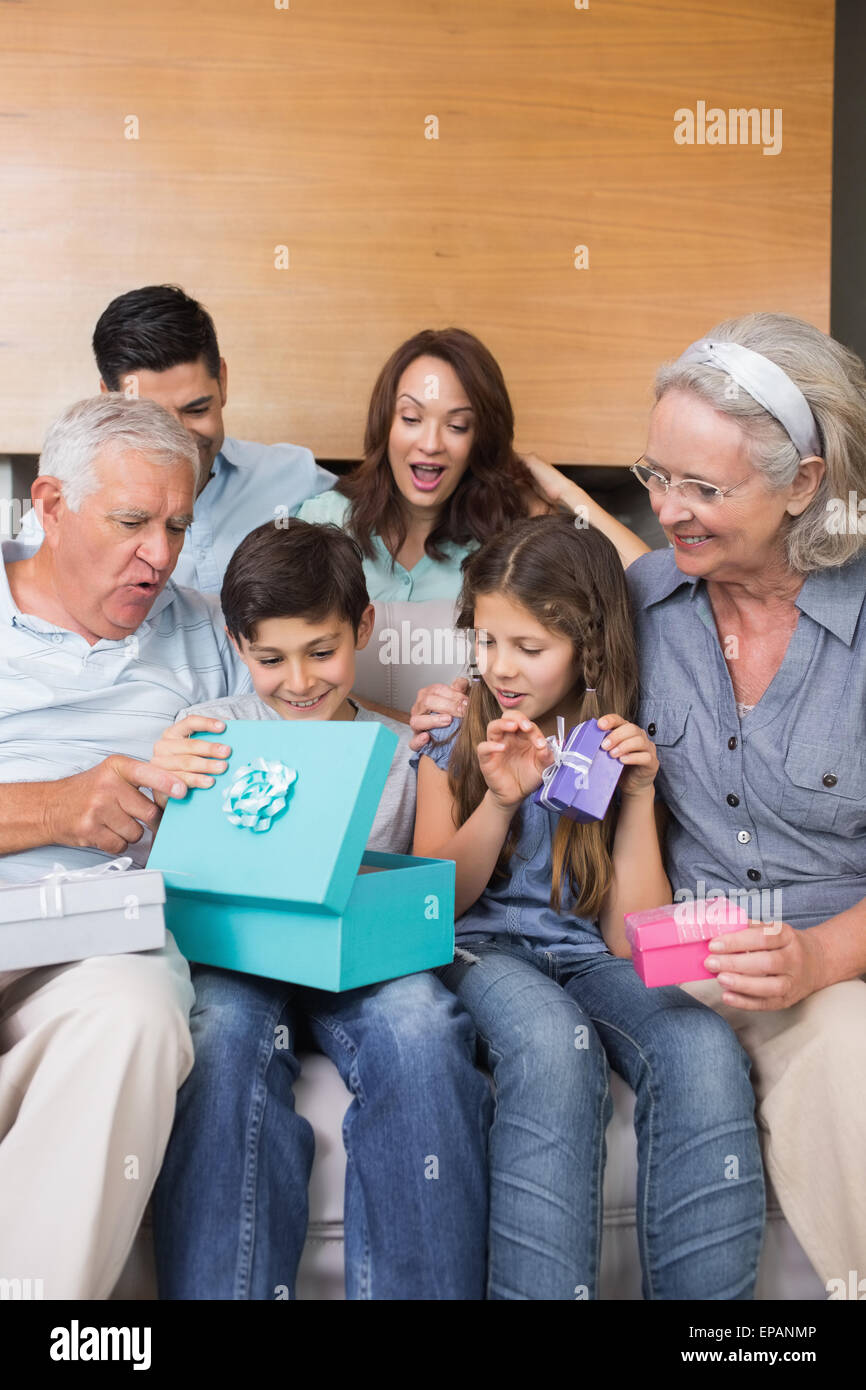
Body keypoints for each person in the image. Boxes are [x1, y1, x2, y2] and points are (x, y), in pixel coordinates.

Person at [411, 514, 765, 1300]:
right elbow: (436, 903)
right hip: (481, 950)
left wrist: (638, 800)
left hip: (589, 955)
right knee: (553, 1041)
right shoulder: (452, 732)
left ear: (590, 648)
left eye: (529, 649)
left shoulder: (614, 745)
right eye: (487, 641)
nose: (501, 667)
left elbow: (633, 939)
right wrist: (501, 802)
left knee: (702, 1046)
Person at [149, 518, 492, 1300]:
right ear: (238, 646)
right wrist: (163, 775)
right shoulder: (214, 734)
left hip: (362, 964)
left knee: (423, 1029)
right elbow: (178, 856)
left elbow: (434, 885)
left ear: (364, 628)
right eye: (270, 658)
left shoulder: (405, 751)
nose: (298, 680)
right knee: (221, 1034)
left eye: (321, 651)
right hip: (237, 958)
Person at [624, 311, 866, 1287]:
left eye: (702, 488)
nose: (667, 509)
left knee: (845, 1048)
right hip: (675, 967)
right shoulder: (638, 600)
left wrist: (813, 958)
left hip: (827, 968)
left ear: (801, 483)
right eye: (653, 476)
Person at [0, 395, 247, 1298]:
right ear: (51, 504)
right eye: (133, 522)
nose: (161, 555)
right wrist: (55, 809)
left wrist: (424, 729)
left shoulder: (207, 634)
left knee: (139, 1007)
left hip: (93, 947)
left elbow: (300, 734)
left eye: (178, 526)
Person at [19, 284, 336, 591]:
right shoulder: (69, 506)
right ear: (109, 400)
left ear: (222, 381)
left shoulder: (294, 477)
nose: (180, 442)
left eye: (197, 410)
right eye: (152, 418)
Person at [297, 327, 647, 602]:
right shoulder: (325, 522)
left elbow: (651, 586)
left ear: (480, 438)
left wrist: (565, 490)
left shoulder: (508, 537)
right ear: (384, 423)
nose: (431, 444)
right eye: (411, 418)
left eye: (457, 426)